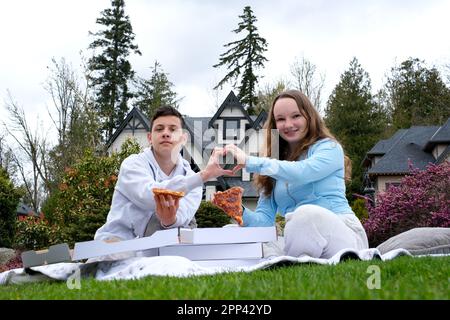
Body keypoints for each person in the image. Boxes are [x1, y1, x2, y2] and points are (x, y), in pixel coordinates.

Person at [221, 90, 369, 258]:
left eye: (296, 116)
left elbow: (302, 172)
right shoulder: (273, 164)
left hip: (342, 233)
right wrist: (237, 209)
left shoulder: (329, 148)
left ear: (309, 117)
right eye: (281, 119)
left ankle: (282, 260)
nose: (288, 124)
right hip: (299, 238)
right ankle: (283, 259)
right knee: (231, 232)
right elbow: (264, 222)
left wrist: (250, 161)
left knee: (304, 215)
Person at [95, 106, 233, 243]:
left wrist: (170, 221)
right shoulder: (132, 164)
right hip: (117, 243)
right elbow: (149, 196)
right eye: (159, 129)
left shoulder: (192, 179)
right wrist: (203, 175)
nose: (166, 133)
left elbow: (183, 216)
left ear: (183, 139)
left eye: (173, 129)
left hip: (163, 247)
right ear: (150, 137)